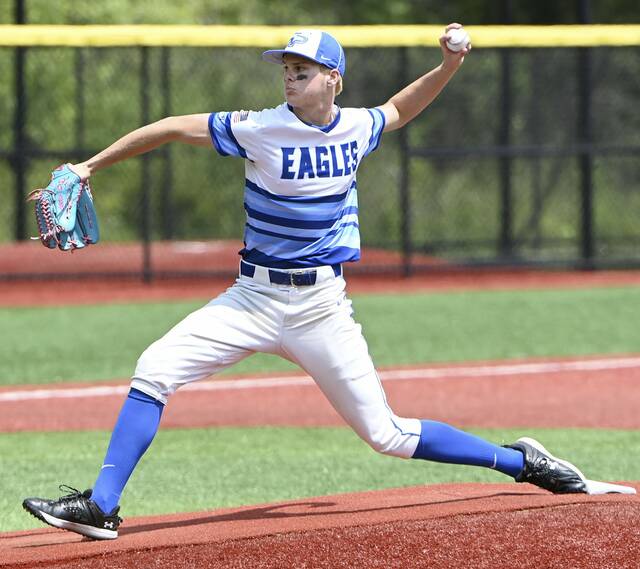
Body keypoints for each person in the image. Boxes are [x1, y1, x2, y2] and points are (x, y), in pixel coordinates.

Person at [22, 25, 607, 541]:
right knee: (154, 367)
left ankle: (520, 462)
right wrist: (88, 166)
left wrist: (450, 66)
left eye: (301, 71)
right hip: (251, 298)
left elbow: (400, 110)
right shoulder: (260, 127)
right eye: (285, 69)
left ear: (334, 79)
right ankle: (101, 506)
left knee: (388, 436)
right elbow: (174, 127)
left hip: (321, 307)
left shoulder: (356, 127)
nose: (289, 79)